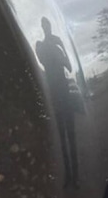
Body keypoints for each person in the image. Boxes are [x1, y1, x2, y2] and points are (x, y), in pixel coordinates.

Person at [34, 17, 79, 188]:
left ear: (50, 26)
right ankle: (68, 176)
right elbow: (43, 60)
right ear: (42, 27)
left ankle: (75, 176)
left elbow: (68, 65)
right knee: (62, 137)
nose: (47, 28)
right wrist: (56, 50)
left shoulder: (57, 42)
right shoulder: (41, 45)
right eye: (44, 25)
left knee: (71, 135)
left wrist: (61, 49)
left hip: (64, 93)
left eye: (48, 25)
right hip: (56, 94)